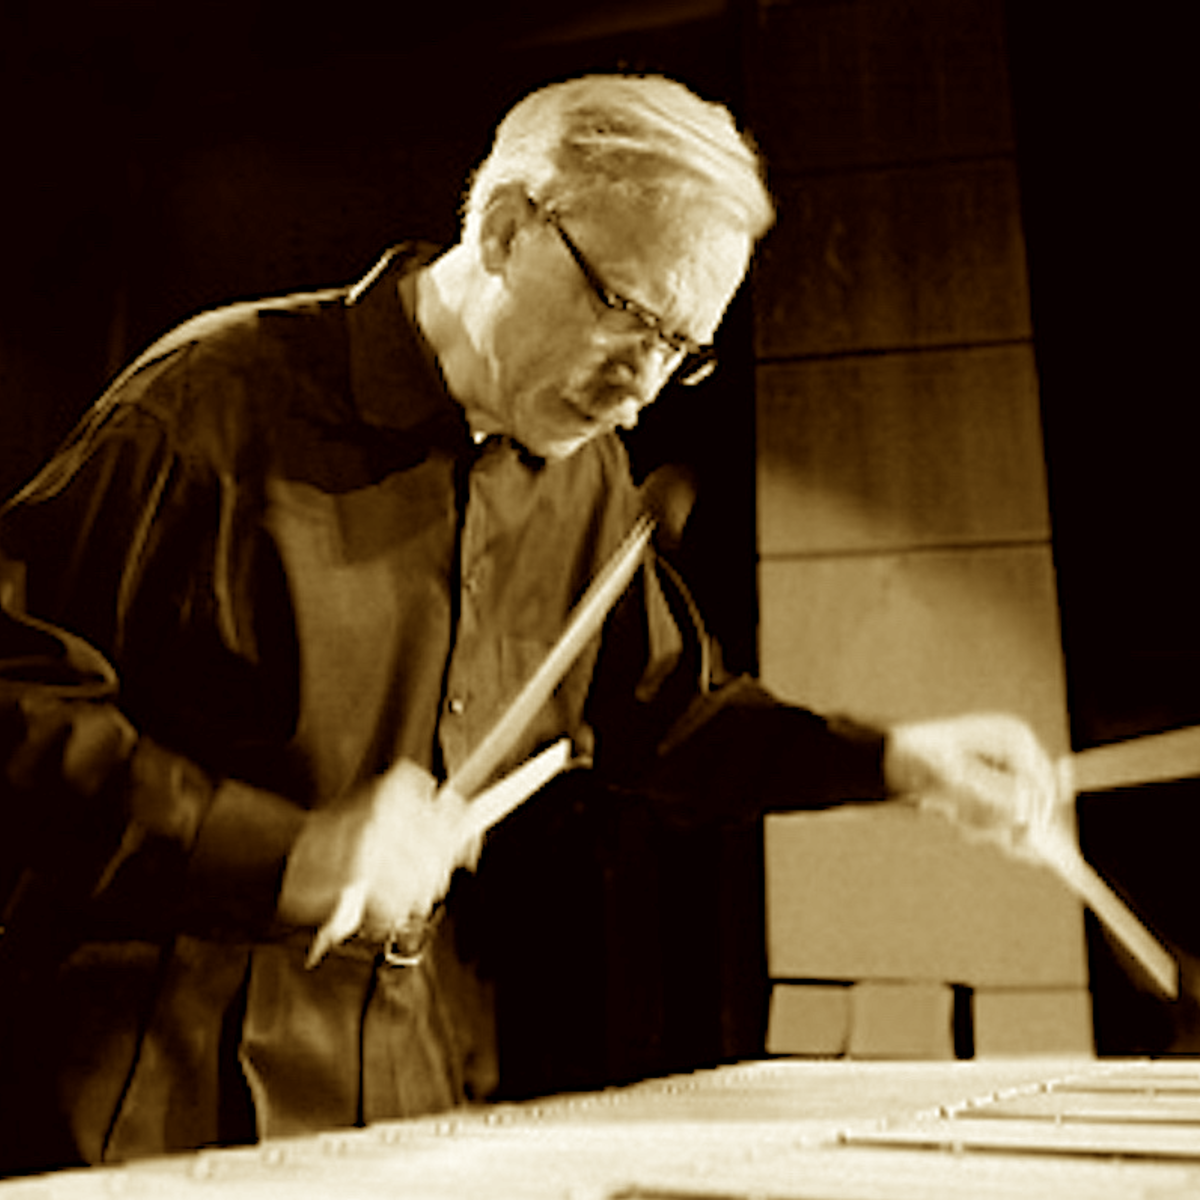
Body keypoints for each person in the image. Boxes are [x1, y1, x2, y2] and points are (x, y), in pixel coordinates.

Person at [0, 73, 1059, 1175]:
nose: (641, 389)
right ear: (508, 228)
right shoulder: (212, 402)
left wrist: (896, 761)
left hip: (389, 1085)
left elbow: (669, 716)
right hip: (136, 1083)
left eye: (681, 349)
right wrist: (277, 851)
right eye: (629, 317)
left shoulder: (584, 484)